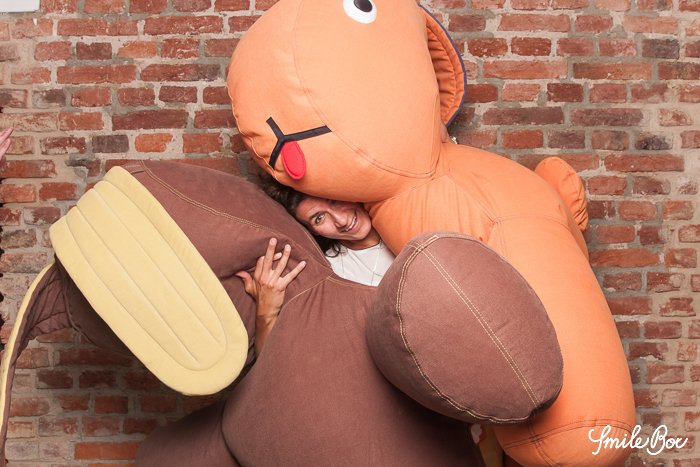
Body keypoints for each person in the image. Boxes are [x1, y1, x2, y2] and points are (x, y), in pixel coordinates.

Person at [235, 178, 395, 355]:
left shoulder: (403, 210)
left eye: (335, 200)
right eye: (319, 218)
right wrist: (266, 313)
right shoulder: (330, 272)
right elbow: (275, 362)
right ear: (312, 231)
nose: (341, 220)